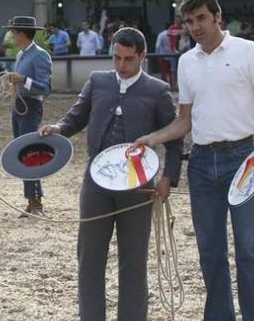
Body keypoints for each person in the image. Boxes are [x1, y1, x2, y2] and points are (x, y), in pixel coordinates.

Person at [136, 0, 254, 321]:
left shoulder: (248, 51)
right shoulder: (187, 62)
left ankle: (252, 317)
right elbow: (185, 120)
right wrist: (153, 137)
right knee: (210, 251)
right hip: (201, 163)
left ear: (217, 17)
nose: (195, 27)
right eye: (189, 21)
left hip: (245, 159)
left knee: (248, 248)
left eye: (201, 18)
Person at [38, 27, 182, 321]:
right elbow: (76, 116)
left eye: (129, 59)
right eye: (116, 58)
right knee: (89, 259)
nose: (121, 65)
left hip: (138, 187)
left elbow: (176, 139)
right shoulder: (97, 81)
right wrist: (59, 128)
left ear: (143, 55)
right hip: (96, 185)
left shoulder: (158, 91)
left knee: (134, 262)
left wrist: (168, 177)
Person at [3, 16, 52, 216]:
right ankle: (31, 200)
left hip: (31, 106)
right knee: (23, 154)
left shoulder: (39, 56)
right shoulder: (22, 55)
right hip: (20, 105)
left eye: (14, 32)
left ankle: (36, 202)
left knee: (30, 153)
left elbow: (46, 88)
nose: (12, 35)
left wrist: (24, 80)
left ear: (21, 34)